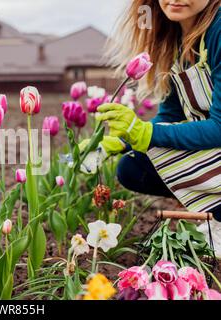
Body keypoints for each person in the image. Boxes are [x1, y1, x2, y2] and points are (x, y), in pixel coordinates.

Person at [84, 1, 221, 256]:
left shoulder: (219, 30)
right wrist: (122, 140)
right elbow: (171, 115)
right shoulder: (176, 40)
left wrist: (145, 133)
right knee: (134, 167)